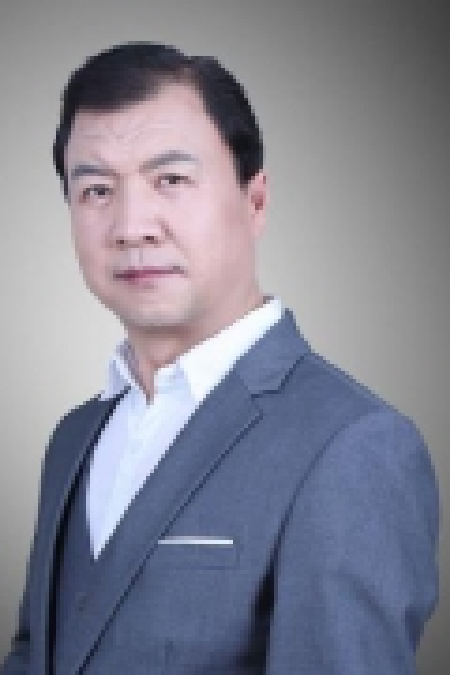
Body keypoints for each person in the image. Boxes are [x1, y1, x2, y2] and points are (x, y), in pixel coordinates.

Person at [1, 42, 439, 675]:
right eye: (96, 190)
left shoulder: (352, 445)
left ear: (254, 201)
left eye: (171, 180)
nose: (131, 226)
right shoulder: (74, 438)